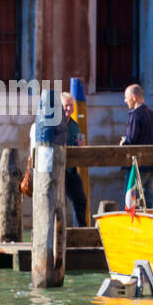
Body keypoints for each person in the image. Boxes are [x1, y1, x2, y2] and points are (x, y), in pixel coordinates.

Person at [119, 84, 153, 207]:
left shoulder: (135, 115)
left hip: (138, 168)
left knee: (130, 203)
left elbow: (131, 141)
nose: (125, 100)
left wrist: (122, 143)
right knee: (148, 203)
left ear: (134, 97)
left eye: (126, 97)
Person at [61, 91, 88, 226]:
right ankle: (59, 235)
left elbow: (79, 143)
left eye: (71, 105)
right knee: (59, 204)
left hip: (71, 171)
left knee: (81, 200)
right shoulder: (55, 124)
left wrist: (81, 145)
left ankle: (81, 233)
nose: (69, 108)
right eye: (66, 105)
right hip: (58, 171)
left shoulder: (75, 125)